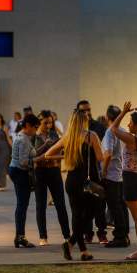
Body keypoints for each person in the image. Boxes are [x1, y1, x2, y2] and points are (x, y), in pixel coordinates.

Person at [45, 109, 104, 261]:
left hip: (72, 181)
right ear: (84, 120)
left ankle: (76, 247)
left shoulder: (67, 138)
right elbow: (100, 157)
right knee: (91, 213)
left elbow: (48, 154)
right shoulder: (91, 136)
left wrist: (65, 156)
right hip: (88, 182)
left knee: (77, 216)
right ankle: (76, 247)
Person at [111, 102, 137, 260]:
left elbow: (114, 129)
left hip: (132, 178)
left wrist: (122, 112)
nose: (128, 125)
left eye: (130, 122)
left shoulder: (132, 139)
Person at [33, 110, 70, 246]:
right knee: (40, 205)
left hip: (54, 171)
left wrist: (53, 155)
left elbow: (62, 152)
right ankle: (43, 237)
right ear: (39, 123)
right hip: (40, 173)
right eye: (45, 123)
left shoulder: (55, 135)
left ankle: (67, 236)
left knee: (60, 204)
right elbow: (32, 157)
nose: (48, 125)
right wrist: (46, 146)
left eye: (50, 122)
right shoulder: (34, 137)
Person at [76, 99, 108, 244]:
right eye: (83, 111)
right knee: (83, 205)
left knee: (99, 204)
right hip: (80, 173)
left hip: (95, 171)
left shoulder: (98, 127)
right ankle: (87, 233)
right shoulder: (74, 130)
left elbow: (103, 152)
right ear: (78, 113)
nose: (87, 113)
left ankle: (102, 233)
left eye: (88, 109)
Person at [9, 114, 41, 248]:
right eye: (35, 127)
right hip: (19, 172)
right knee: (22, 205)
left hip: (17, 171)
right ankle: (20, 236)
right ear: (27, 125)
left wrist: (44, 146)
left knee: (22, 205)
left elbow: (32, 153)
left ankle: (19, 236)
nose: (36, 130)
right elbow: (23, 162)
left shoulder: (25, 137)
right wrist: (39, 159)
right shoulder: (23, 139)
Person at [101, 105, 130, 248]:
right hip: (121, 174)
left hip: (111, 174)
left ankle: (120, 236)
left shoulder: (109, 133)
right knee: (121, 206)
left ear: (107, 117)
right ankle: (125, 234)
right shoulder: (122, 131)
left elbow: (108, 154)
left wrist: (104, 171)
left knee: (114, 206)